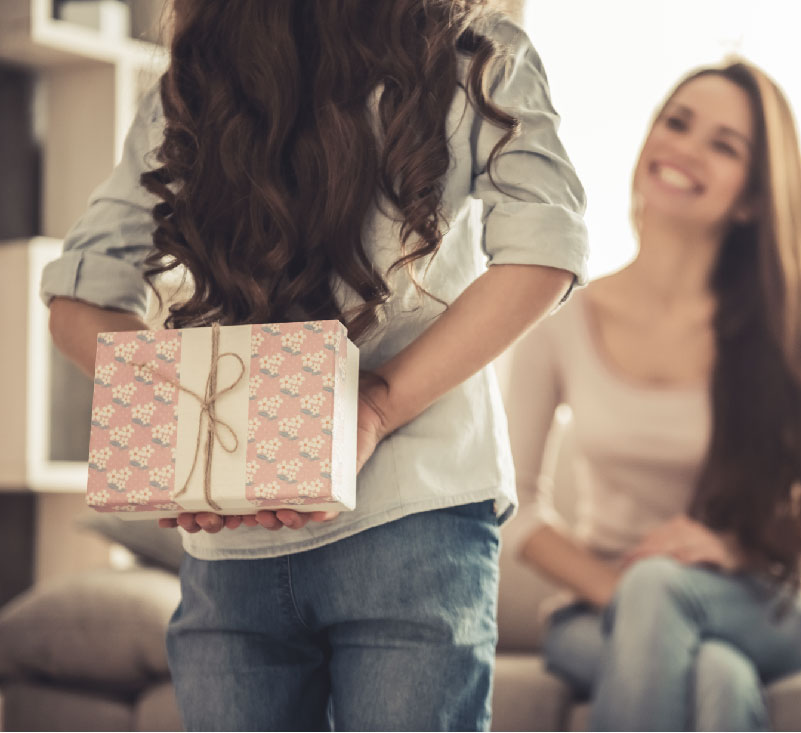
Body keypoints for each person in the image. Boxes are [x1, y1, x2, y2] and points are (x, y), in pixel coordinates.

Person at [43, 1, 589, 730]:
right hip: (412, 506)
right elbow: (544, 252)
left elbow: (80, 296)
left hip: (235, 524)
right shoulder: (474, 54)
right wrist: (376, 405)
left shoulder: (198, 77)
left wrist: (189, 421)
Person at [505, 58, 801, 731]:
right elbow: (511, 500)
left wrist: (737, 548)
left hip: (766, 601)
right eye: (677, 122)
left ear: (753, 196)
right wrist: (622, 592)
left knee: (663, 592)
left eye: (724, 145)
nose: (684, 148)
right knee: (716, 675)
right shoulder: (559, 317)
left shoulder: (786, 327)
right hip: (604, 605)